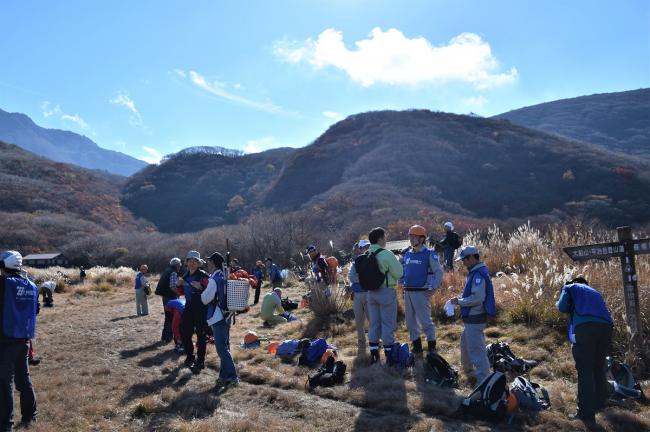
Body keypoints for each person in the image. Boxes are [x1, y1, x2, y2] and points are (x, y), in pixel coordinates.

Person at [556, 276, 613, 424]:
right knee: (598, 367)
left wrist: (563, 301)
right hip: (606, 328)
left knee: (585, 370)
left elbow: (562, 307)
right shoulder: (595, 292)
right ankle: (600, 405)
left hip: (585, 329)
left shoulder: (570, 287)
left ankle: (586, 414)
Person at [0, 251, 38, 430]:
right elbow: (35, 309)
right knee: (23, 379)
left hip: (5, 339)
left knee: (4, 382)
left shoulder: (4, 284)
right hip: (23, 338)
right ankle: (30, 416)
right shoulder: (31, 285)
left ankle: (5, 424)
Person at [449, 245, 496, 384]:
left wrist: (459, 301)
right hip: (472, 318)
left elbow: (477, 298)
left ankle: (484, 381)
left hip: (475, 318)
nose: (463, 263)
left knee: (477, 352)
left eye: (464, 260)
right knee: (465, 342)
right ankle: (467, 370)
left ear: (471, 258)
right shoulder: (476, 272)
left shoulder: (478, 275)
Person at [400, 225, 443, 356]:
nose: (412, 239)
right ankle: (417, 347)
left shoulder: (429, 254)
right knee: (410, 322)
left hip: (421, 292)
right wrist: (401, 281)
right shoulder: (407, 254)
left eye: (415, 237)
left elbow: (438, 271)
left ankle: (431, 346)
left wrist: (434, 288)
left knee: (425, 321)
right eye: (410, 236)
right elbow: (402, 271)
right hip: (407, 292)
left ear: (422, 239)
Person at [364, 227, 404, 365]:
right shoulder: (386, 254)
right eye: (384, 237)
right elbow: (399, 273)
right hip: (386, 292)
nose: (386, 239)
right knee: (387, 323)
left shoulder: (366, 253)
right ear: (380, 239)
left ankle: (374, 355)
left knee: (374, 323)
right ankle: (389, 355)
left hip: (370, 293)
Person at [201, 252, 239, 391]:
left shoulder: (214, 279)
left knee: (221, 348)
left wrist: (201, 291)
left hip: (217, 316)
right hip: (226, 315)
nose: (207, 263)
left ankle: (232, 377)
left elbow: (205, 299)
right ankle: (223, 376)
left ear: (214, 263)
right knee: (225, 346)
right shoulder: (224, 276)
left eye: (209, 261)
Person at [176, 251, 210, 372]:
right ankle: (190, 356)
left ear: (199, 263)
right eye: (190, 260)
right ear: (186, 263)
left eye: (195, 261)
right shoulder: (185, 276)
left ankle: (200, 361)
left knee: (201, 335)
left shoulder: (204, 276)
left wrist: (200, 287)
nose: (192, 263)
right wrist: (178, 286)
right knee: (184, 332)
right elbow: (181, 293)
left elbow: (211, 293)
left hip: (201, 308)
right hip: (189, 307)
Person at [348, 240, 370, 354]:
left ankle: (375, 340)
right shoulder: (354, 262)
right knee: (359, 321)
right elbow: (351, 277)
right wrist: (364, 278)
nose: (364, 249)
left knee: (372, 319)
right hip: (357, 294)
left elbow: (371, 277)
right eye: (362, 247)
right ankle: (361, 343)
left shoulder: (371, 260)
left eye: (367, 247)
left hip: (369, 294)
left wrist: (360, 278)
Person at [155, 257, 182, 343]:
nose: (180, 267)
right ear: (177, 265)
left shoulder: (167, 270)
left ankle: (164, 337)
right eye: (179, 265)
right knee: (171, 317)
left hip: (165, 296)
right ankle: (168, 338)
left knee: (168, 317)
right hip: (170, 297)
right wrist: (179, 293)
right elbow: (172, 286)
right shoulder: (173, 272)